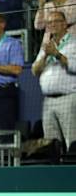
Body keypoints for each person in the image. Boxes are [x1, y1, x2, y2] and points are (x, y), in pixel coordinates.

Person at [32, 11, 76, 150]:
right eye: (49, 22)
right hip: (48, 101)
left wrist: (57, 54)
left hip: (68, 98)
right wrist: (45, 55)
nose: (52, 25)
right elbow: (35, 71)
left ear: (64, 24)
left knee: (72, 140)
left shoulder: (74, 43)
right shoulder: (46, 46)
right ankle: (54, 170)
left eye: (56, 21)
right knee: (51, 144)